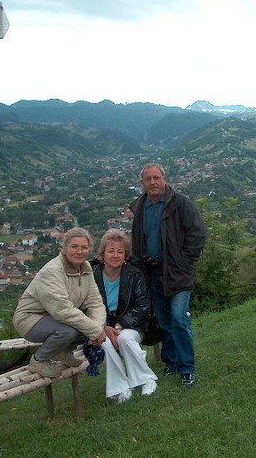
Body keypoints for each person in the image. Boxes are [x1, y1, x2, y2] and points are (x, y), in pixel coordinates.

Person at [129, 163, 206, 387]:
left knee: (179, 319)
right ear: (142, 183)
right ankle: (171, 363)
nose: (153, 182)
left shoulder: (180, 203)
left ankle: (187, 369)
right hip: (152, 273)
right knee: (164, 321)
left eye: (156, 178)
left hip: (178, 274)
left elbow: (198, 233)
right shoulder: (140, 207)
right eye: (148, 179)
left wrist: (184, 261)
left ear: (165, 179)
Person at [13, 227, 107, 378]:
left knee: (96, 323)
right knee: (69, 331)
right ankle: (38, 360)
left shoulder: (86, 268)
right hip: (30, 319)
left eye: (84, 247)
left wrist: (96, 328)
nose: (79, 251)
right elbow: (62, 311)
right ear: (64, 248)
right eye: (74, 247)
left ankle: (63, 352)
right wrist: (95, 332)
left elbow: (95, 303)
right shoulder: (52, 271)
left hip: (57, 318)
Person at [92, 229, 158, 402]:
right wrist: (104, 327)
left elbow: (143, 305)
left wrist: (119, 326)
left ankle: (146, 379)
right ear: (103, 254)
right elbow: (87, 307)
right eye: (111, 251)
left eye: (120, 252)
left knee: (125, 339)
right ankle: (119, 388)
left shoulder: (134, 275)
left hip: (131, 325)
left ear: (125, 255)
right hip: (100, 326)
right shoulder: (92, 276)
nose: (115, 255)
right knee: (104, 344)